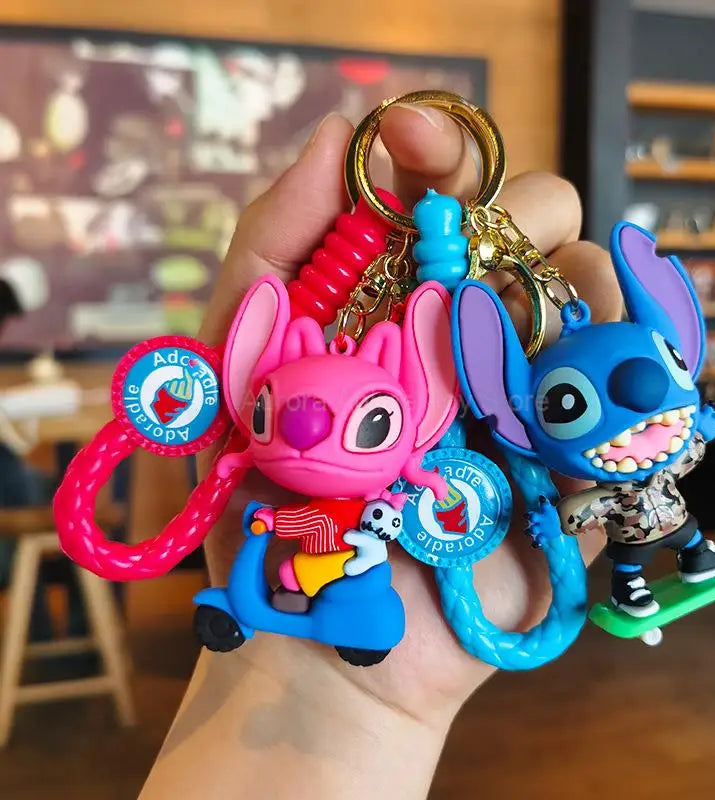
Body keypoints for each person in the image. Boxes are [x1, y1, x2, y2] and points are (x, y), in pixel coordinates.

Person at [140, 104, 621, 799]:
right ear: (250, 386)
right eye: (271, 413)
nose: (309, 436)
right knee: (289, 574)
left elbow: (364, 515)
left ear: (419, 414)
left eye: (368, 427)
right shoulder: (277, 424)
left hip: (363, 556)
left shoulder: (408, 458)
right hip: (325, 553)